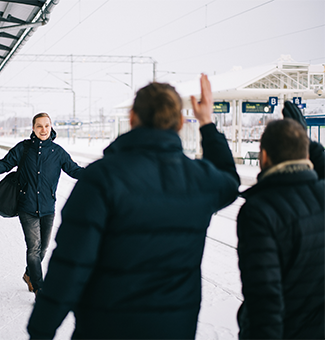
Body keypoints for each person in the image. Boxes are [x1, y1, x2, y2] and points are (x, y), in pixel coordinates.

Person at [27, 74, 240, 339]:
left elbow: (70, 265)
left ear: (132, 118)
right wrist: (207, 124)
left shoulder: (101, 178)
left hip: (105, 328)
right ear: (180, 124)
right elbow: (230, 182)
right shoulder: (199, 179)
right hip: (173, 330)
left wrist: (41, 329)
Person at [236, 108, 324, 338]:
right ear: (306, 156)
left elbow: (264, 302)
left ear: (263, 157)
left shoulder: (259, 211)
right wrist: (304, 138)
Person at [0, 113, 83, 295]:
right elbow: (5, 164)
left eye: (46, 126)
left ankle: (29, 274)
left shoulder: (58, 152)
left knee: (43, 249)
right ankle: (39, 287)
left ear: (51, 127)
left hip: (48, 208)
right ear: (33, 129)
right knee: (33, 248)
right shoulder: (23, 149)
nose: (43, 130)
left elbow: (74, 170)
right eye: (39, 126)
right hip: (26, 206)